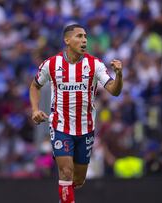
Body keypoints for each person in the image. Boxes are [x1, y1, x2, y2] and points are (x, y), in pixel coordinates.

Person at [29, 24, 123, 203]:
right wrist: (35, 109)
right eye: (79, 36)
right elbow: (35, 86)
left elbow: (114, 90)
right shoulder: (52, 64)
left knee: (78, 180)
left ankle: (65, 198)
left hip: (85, 129)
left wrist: (118, 75)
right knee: (65, 172)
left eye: (85, 37)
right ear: (67, 40)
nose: (84, 40)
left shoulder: (94, 65)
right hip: (60, 126)